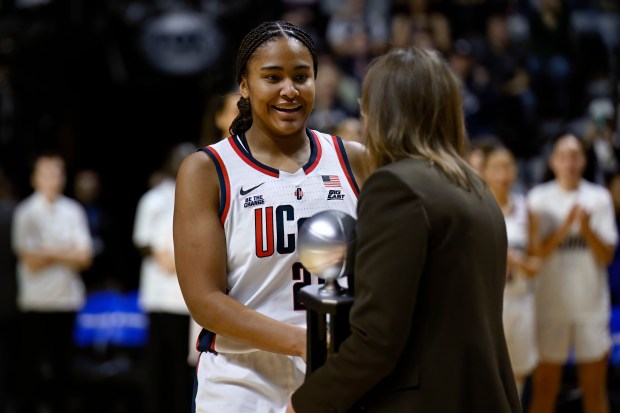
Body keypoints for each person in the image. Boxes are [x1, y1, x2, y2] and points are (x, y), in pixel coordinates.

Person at [287, 47, 521, 412]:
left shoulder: (394, 188)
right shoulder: (476, 187)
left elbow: (377, 341)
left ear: (383, 113)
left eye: (367, 107)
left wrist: (304, 405)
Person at [173, 20, 368, 413]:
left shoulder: (355, 159)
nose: (289, 90)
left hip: (335, 375)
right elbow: (204, 300)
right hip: (241, 379)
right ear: (244, 85)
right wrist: (302, 341)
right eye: (272, 77)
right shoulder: (207, 170)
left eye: (301, 76)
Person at [527, 133, 617, 413]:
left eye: (575, 155)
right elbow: (536, 254)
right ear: (553, 161)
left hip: (590, 307)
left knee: (595, 393)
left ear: (584, 160)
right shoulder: (538, 198)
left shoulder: (599, 197)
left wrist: (587, 229)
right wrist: (564, 228)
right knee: (544, 391)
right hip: (550, 307)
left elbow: (607, 256)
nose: (570, 162)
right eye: (563, 156)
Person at [12, 151, 93, 413]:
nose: (52, 178)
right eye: (46, 173)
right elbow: (30, 260)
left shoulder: (73, 210)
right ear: (35, 178)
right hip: (35, 302)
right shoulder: (25, 212)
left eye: (57, 172)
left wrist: (47, 250)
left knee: (63, 371)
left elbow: (84, 257)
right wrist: (64, 252)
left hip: (66, 300)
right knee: (30, 371)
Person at [132, 141, 196, 413]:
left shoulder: (199, 195)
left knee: (184, 369)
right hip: (159, 296)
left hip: (187, 301)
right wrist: (163, 258)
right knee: (157, 365)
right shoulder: (154, 199)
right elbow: (142, 240)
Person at [481, 142, 540, 397]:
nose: (504, 174)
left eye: (508, 166)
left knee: (518, 378)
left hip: (520, 301)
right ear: (483, 171)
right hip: (487, 306)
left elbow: (537, 263)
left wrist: (518, 262)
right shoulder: (477, 208)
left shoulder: (527, 209)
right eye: (497, 167)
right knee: (487, 380)